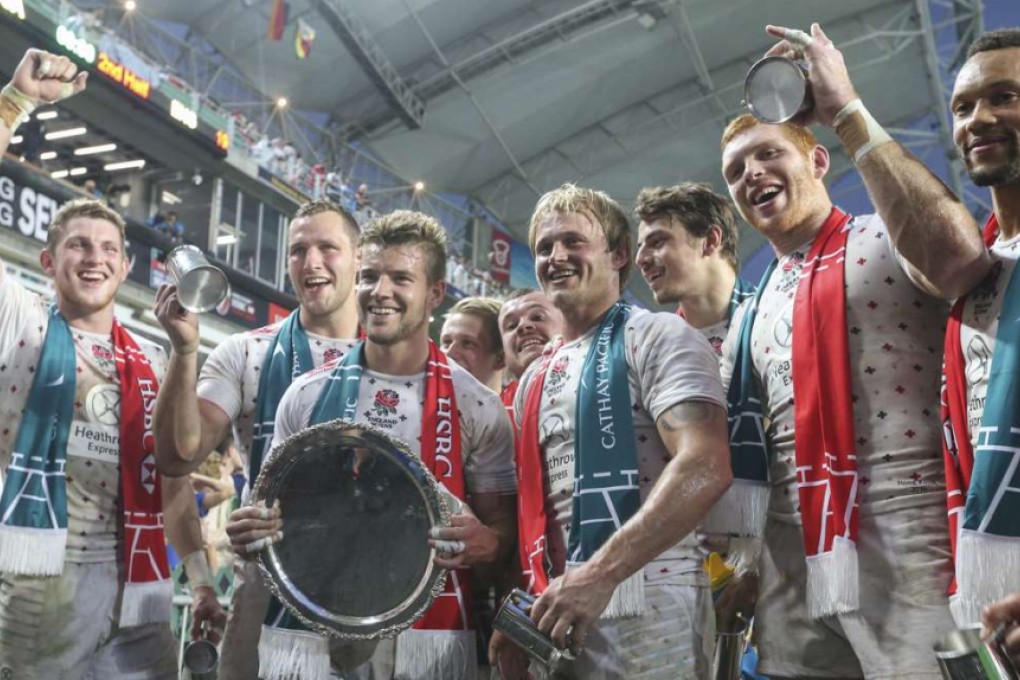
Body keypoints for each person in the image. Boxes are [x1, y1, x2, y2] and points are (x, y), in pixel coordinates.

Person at [713, 22, 990, 679]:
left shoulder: (888, 238)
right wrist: (744, 565)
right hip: (792, 564)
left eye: (767, 154)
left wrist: (846, 113)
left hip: (914, 536)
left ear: (817, 159)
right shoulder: (748, 312)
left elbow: (959, 261)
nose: (751, 173)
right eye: (735, 171)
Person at [0, 46, 223, 680]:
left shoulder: (154, 358)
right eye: (76, 245)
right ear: (49, 262)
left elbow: (175, 487)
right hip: (41, 576)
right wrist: (14, 103)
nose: (94, 258)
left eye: (108, 249)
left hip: (144, 587)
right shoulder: (18, 321)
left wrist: (202, 580)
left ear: (127, 268)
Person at [225, 210, 518, 680]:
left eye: (401, 278)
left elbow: (503, 531)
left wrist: (490, 542)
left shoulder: (477, 405)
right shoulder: (304, 395)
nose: (380, 292)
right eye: (369, 276)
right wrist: (248, 527)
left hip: (426, 643)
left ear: (435, 295)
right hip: (314, 626)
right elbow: (265, 510)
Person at [491, 183, 732, 679]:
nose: (556, 257)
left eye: (573, 242)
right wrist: (522, 609)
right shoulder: (537, 374)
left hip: (654, 598)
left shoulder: (657, 335)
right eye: (543, 247)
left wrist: (598, 575)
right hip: (557, 607)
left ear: (619, 254)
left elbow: (706, 464)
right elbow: (536, 510)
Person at [152, 199, 362, 679]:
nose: (311, 262)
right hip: (264, 590)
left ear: (358, 257)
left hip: (366, 590)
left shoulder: (391, 359)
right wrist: (185, 351)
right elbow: (178, 456)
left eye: (327, 247)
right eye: (298, 250)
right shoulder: (245, 352)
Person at [941, 27, 1020, 628]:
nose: (979, 119)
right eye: (963, 107)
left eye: (1006, 97)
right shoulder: (976, 271)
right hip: (994, 568)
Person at [634, 182, 754, 359]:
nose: (640, 259)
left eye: (657, 242)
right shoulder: (653, 357)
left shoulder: (784, 315)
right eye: (640, 246)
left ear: (711, 241)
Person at [496, 288, 564, 412]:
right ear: (503, 354)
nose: (523, 326)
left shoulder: (602, 386)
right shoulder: (493, 417)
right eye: (511, 326)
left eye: (537, 317)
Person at [440, 296, 506, 393]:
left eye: (467, 343)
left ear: (500, 360)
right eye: (447, 342)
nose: (449, 353)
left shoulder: (524, 407)